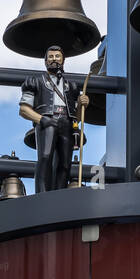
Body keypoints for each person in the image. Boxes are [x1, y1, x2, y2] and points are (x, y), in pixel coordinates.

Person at [19, 46, 88, 194]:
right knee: (45, 157)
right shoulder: (36, 81)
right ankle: (42, 194)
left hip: (67, 123)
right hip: (47, 120)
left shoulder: (72, 86)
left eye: (57, 56)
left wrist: (82, 105)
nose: (54, 59)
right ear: (45, 61)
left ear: (63, 60)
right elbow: (24, 110)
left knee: (64, 163)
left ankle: (59, 194)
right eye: (51, 57)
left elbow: (78, 117)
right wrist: (42, 120)